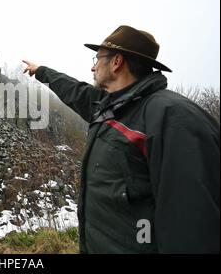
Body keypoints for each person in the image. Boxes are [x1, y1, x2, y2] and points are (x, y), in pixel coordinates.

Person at [23, 25, 220, 253]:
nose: (92, 66)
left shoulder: (173, 117)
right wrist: (41, 71)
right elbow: (75, 91)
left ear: (116, 62)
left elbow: (193, 225)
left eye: (97, 59)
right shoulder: (111, 106)